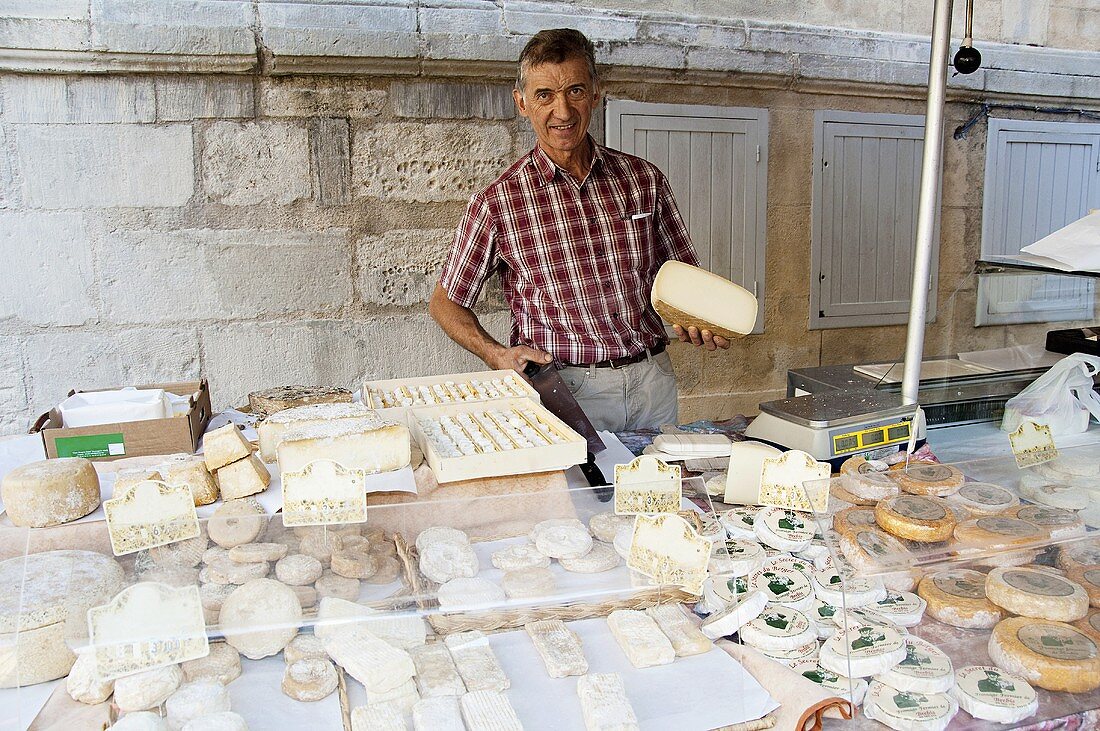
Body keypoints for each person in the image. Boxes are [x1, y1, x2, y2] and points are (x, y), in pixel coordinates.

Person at [429, 28, 729, 432]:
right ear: (521, 103)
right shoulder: (499, 202)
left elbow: (685, 279)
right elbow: (445, 303)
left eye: (574, 91)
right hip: (566, 390)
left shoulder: (643, 179)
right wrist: (496, 355)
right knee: (580, 496)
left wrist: (701, 321)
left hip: (652, 379)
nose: (563, 112)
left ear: (595, 93)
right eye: (544, 96)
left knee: (654, 491)